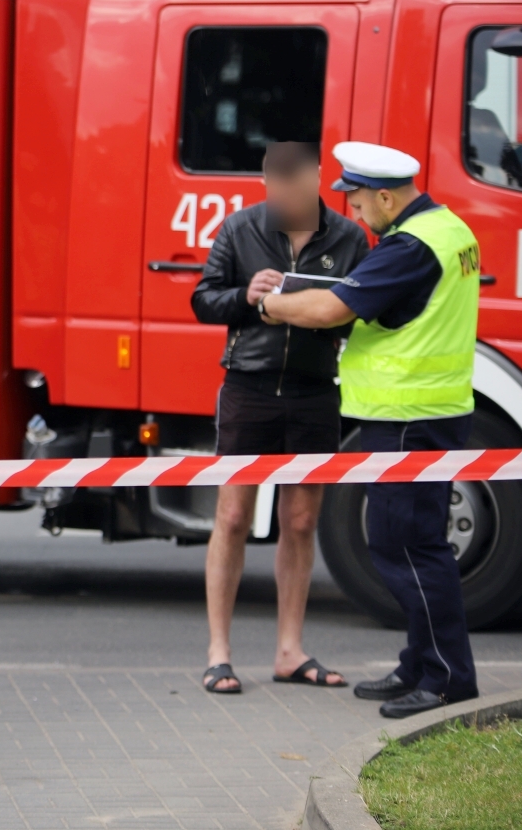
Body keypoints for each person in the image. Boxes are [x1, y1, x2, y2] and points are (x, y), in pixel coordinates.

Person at [260, 141, 481, 718]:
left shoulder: (409, 246)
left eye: (358, 202)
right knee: (416, 545)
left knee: (405, 548)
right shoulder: (448, 228)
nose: (355, 214)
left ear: (386, 196)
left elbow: (332, 310)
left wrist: (270, 305)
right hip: (431, 412)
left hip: (407, 418)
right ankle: (422, 662)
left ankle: (447, 678)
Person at [190, 142, 369, 695]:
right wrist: (245, 294)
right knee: (234, 516)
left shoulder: (349, 238)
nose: (282, 198)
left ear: (317, 179)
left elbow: (361, 312)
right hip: (248, 388)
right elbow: (203, 300)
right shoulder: (240, 229)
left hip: (315, 393)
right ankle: (219, 653)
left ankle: (289, 651)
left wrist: (328, 311)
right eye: (274, 188)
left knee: (300, 522)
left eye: (293, 187)